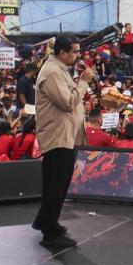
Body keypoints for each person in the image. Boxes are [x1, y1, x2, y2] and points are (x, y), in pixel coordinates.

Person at [33, 35, 92, 248]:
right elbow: (67, 102)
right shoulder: (51, 72)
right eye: (75, 52)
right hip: (57, 138)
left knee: (58, 184)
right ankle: (49, 232)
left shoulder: (59, 70)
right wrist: (83, 82)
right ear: (62, 52)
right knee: (55, 185)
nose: (78, 56)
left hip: (64, 137)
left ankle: (48, 221)